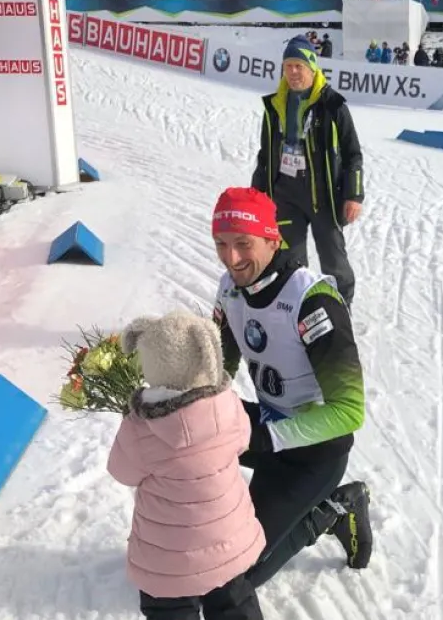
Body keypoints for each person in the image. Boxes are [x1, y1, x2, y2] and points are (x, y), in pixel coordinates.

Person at [210, 186, 374, 584]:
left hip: (314, 454)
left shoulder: (311, 300)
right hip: (270, 431)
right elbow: (218, 371)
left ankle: (335, 507)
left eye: (244, 244)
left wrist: (267, 439)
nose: (232, 258)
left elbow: (349, 412)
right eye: (221, 244)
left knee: (237, 579)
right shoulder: (231, 287)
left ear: (272, 239)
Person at [108, 309, 268, 620]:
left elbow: (121, 471)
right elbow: (243, 441)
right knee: (233, 601)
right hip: (226, 542)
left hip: (169, 558)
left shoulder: (141, 428)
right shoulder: (229, 406)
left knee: (169, 610)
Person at [252, 35, 365, 305]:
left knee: (334, 260)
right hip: (286, 193)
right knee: (289, 259)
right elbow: (265, 156)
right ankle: (296, 311)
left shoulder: (333, 105)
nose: (292, 72)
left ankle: (340, 310)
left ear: (312, 68)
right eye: (288, 65)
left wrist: (354, 195)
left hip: (323, 195)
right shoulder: (275, 106)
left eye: (298, 66)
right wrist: (257, 196)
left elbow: (353, 153)